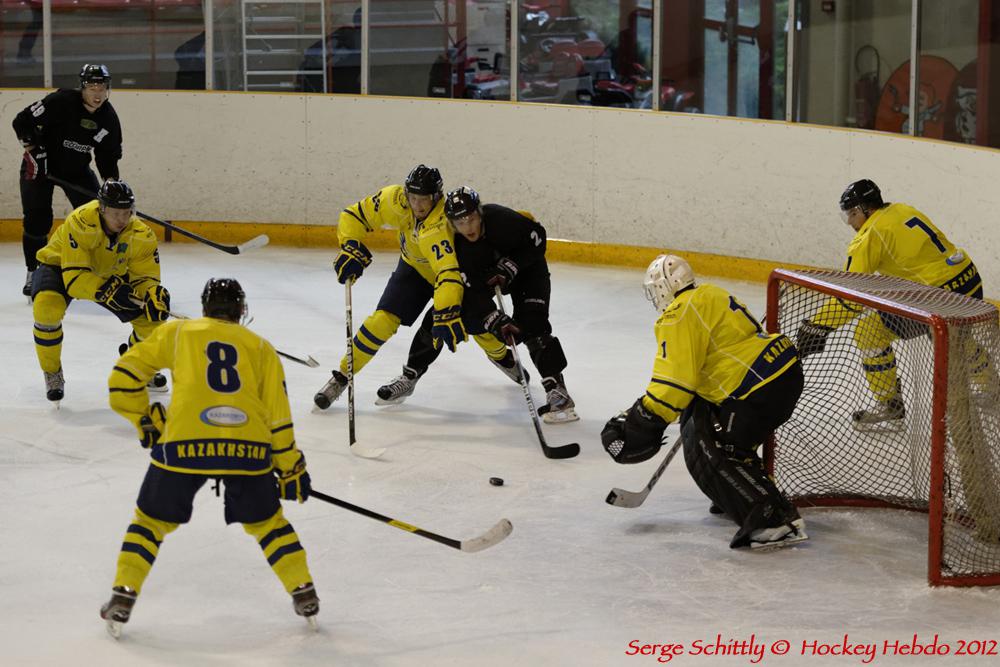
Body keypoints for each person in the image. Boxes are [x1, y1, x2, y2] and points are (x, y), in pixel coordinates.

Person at [100, 278, 318, 637]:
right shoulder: (261, 347)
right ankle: (303, 590)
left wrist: (144, 419)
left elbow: (123, 377)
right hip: (247, 449)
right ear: (242, 310)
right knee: (270, 526)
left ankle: (123, 595)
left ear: (204, 307)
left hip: (183, 445)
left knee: (149, 523)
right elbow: (278, 418)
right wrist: (289, 467)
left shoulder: (177, 332)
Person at [601, 255, 808, 550]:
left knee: (708, 444)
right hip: (778, 372)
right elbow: (695, 379)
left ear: (663, 286)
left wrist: (641, 423)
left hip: (755, 386)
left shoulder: (678, 313)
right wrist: (639, 412)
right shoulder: (711, 293)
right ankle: (736, 494)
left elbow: (674, 383)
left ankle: (774, 519)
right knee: (708, 418)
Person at [313, 165, 513, 409]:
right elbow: (354, 215)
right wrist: (349, 243)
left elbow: (447, 273)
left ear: (437, 197)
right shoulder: (394, 200)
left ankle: (502, 357)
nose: (417, 206)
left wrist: (446, 309)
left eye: (424, 199)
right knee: (381, 321)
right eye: (413, 197)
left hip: (451, 277)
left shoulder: (441, 224)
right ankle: (343, 376)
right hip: (414, 268)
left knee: (472, 326)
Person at [796, 179, 985, 428]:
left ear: (863, 210)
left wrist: (818, 325)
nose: (851, 223)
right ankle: (992, 388)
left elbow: (851, 298)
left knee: (868, 333)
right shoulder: (901, 209)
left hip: (938, 299)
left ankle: (891, 406)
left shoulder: (868, 236)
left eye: (851, 215)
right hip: (969, 282)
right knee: (957, 339)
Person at [378, 186, 577, 422]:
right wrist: (493, 318)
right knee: (441, 315)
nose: (468, 227)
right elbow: (467, 292)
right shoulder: (455, 248)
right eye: (460, 223)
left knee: (534, 325)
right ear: (451, 223)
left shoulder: (502, 219)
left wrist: (511, 266)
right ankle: (410, 376)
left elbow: (538, 238)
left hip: (528, 272)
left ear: (480, 212)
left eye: (472, 219)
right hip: (483, 278)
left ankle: (558, 392)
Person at [31, 180, 169, 403]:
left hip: (109, 271)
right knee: (46, 309)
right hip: (61, 265)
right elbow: (75, 279)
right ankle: (52, 372)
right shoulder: (80, 221)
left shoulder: (141, 234)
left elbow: (145, 277)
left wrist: (152, 293)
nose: (121, 220)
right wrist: (108, 291)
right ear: (101, 208)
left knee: (151, 321)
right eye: (115, 213)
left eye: (127, 213)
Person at [12, 63, 124, 297]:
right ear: (82, 87)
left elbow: (108, 155)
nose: (97, 93)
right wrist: (33, 148)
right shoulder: (61, 102)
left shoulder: (108, 118)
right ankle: (34, 271)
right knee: (37, 219)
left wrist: (111, 185)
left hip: (76, 170)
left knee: (96, 215)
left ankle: (97, 268)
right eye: (92, 87)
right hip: (41, 164)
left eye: (102, 87)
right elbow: (21, 121)